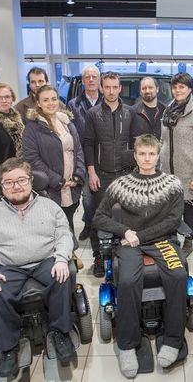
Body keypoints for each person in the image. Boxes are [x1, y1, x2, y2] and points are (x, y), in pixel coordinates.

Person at [93, 134, 187, 378]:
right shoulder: (120, 185)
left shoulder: (173, 184)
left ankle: (173, 340)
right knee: (126, 281)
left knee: (178, 275)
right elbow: (99, 217)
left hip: (161, 240)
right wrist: (124, 231)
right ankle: (127, 345)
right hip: (129, 242)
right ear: (135, 156)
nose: (147, 159)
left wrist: (139, 236)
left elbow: (173, 220)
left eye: (151, 154)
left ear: (158, 155)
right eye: (142, 154)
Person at [0, 158, 76, 376]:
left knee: (64, 275)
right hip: (8, 266)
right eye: (9, 182)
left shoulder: (50, 207)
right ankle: (9, 348)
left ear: (31, 181)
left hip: (45, 260)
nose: (16, 186)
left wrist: (61, 258)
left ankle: (60, 333)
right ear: (1, 185)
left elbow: (64, 235)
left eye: (21, 180)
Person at [23, 85, 86, 268]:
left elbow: (78, 150)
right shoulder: (32, 128)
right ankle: (61, 260)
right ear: (38, 103)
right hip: (51, 188)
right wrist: (58, 180)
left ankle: (69, 257)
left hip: (71, 186)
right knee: (53, 227)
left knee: (68, 221)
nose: (51, 103)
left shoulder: (67, 122)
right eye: (46, 100)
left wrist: (78, 176)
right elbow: (32, 159)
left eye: (53, 99)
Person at [83, 71, 137, 277]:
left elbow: (135, 142)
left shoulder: (130, 112)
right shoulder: (93, 113)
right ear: (101, 88)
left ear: (120, 88)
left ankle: (122, 252)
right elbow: (88, 144)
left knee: (126, 215)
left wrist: (135, 171)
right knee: (99, 216)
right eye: (107, 87)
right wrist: (91, 172)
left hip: (125, 174)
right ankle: (98, 256)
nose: (111, 91)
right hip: (101, 174)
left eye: (115, 87)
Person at [160, 73, 193, 257]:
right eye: (175, 87)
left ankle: (188, 241)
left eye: (181, 87)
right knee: (171, 211)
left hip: (189, 173)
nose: (177, 90)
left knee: (188, 210)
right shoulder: (168, 109)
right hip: (168, 173)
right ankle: (172, 239)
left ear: (190, 89)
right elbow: (163, 139)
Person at [67, 65, 103, 244]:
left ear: (99, 80)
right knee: (87, 198)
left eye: (94, 76)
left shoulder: (107, 100)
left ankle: (100, 226)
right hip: (84, 157)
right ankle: (89, 223)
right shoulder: (73, 104)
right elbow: (71, 133)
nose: (91, 79)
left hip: (104, 157)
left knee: (103, 196)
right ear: (82, 81)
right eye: (87, 77)